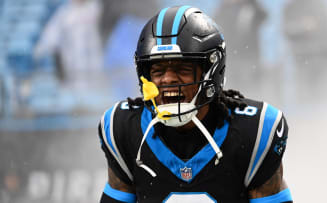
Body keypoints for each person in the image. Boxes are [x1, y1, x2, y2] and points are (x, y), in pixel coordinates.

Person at [97, 5, 292, 203]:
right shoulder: (124, 129)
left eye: (182, 68)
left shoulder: (254, 132)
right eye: (158, 70)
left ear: (211, 72)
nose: (168, 79)